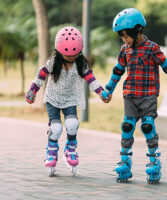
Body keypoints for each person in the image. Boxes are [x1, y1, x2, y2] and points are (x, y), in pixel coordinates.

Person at [101, 8, 167, 184]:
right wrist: (109, 89)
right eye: (121, 37)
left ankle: (154, 162)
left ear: (137, 31)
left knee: (148, 127)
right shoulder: (125, 50)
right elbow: (117, 71)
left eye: (126, 36)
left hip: (148, 95)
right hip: (130, 96)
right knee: (127, 126)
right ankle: (125, 163)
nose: (124, 40)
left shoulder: (152, 48)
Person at [25, 26, 104, 176]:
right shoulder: (53, 62)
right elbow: (41, 75)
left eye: (74, 55)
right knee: (56, 128)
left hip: (70, 98)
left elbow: (91, 79)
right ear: (59, 51)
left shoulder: (81, 63)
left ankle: (70, 149)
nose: (71, 58)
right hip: (53, 98)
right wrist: (32, 91)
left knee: (72, 124)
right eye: (68, 56)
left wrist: (101, 92)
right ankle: (51, 152)